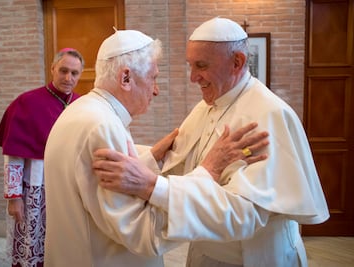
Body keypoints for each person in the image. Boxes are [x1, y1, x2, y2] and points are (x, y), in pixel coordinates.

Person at [92, 17, 330, 266]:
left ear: (237, 62)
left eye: (202, 65)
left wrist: (153, 186)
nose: (193, 77)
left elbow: (244, 215)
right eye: (190, 65)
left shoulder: (267, 115)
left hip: (253, 258)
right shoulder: (206, 107)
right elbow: (182, 168)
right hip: (205, 254)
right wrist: (152, 157)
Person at [43, 29, 269, 267]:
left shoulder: (83, 111)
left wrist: (151, 159)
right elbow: (143, 233)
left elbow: (97, 188)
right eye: (153, 78)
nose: (156, 89)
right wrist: (207, 171)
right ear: (126, 78)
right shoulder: (102, 126)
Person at [0, 48, 84, 267]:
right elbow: (13, 155)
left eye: (74, 73)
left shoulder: (83, 104)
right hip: (35, 190)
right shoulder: (26, 103)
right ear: (52, 69)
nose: (68, 78)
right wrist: (14, 197)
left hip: (70, 190)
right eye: (63, 70)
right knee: (32, 245)